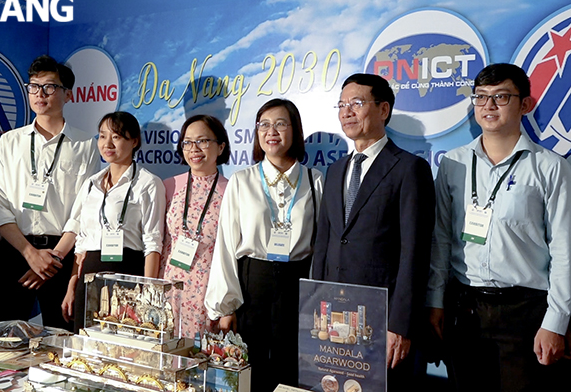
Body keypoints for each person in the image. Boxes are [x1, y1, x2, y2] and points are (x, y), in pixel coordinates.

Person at [427, 63, 571, 391]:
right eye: (481, 97)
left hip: (525, 313)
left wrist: (556, 323)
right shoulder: (453, 163)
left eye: (501, 97)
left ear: (525, 105)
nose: (489, 106)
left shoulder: (550, 167)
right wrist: (434, 301)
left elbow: (565, 250)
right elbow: (441, 239)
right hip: (465, 310)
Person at [311, 73, 435, 385]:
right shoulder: (336, 169)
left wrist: (401, 324)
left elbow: (415, 254)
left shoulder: (409, 168)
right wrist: (318, 310)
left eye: (356, 103)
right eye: (341, 104)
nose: (346, 111)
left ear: (383, 110)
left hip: (381, 322)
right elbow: (325, 244)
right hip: (335, 320)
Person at [205, 99, 324, 392]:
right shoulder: (241, 181)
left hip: (299, 285)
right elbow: (226, 245)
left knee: (293, 367)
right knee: (249, 368)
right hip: (252, 285)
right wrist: (225, 306)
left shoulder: (314, 179)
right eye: (264, 125)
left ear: (295, 130)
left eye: (281, 123)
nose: (272, 131)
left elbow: (322, 244)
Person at [0, 55, 99, 329]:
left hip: (61, 257)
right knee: (5, 336)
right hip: (16, 252)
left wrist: (55, 258)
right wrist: (30, 254)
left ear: (68, 94)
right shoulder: (9, 142)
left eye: (49, 87)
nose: (40, 94)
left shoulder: (85, 144)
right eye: (34, 87)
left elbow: (86, 208)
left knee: (62, 340)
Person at [61, 111, 166, 332]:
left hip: (127, 273)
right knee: (85, 345)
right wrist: (72, 285)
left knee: (122, 347)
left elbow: (152, 242)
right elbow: (81, 241)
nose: (107, 143)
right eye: (102, 136)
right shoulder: (91, 183)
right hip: (89, 273)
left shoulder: (148, 183)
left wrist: (148, 293)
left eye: (116, 136)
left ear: (134, 141)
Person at [159, 115, 230, 339]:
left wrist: (228, 307)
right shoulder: (169, 185)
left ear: (220, 147)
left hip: (208, 293)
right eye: (187, 142)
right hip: (167, 288)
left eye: (202, 141)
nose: (194, 148)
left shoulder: (231, 190)